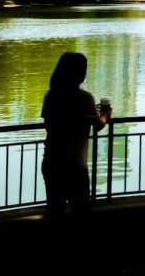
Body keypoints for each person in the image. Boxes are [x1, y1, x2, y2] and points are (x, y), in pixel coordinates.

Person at [40, 52, 111, 219]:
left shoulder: (50, 96)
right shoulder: (84, 98)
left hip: (51, 161)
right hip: (74, 165)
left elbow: (48, 124)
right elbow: (99, 125)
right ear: (79, 73)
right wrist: (105, 115)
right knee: (81, 211)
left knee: (54, 210)